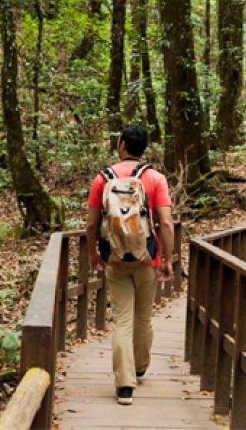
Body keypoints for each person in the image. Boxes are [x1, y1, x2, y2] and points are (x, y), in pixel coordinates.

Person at [85, 125, 174, 406]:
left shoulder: (103, 178)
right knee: (143, 316)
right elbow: (167, 223)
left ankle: (125, 385)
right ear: (144, 148)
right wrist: (168, 259)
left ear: (121, 145)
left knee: (122, 318)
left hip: (115, 257)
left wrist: (93, 253)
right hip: (147, 257)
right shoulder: (156, 178)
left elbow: (90, 223)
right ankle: (139, 366)